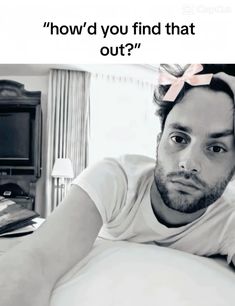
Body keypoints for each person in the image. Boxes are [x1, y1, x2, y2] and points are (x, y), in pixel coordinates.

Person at [1, 64, 235, 306]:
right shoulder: (115, 179)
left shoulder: (229, 218)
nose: (189, 163)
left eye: (216, 148)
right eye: (178, 138)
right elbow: (35, 261)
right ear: (159, 141)